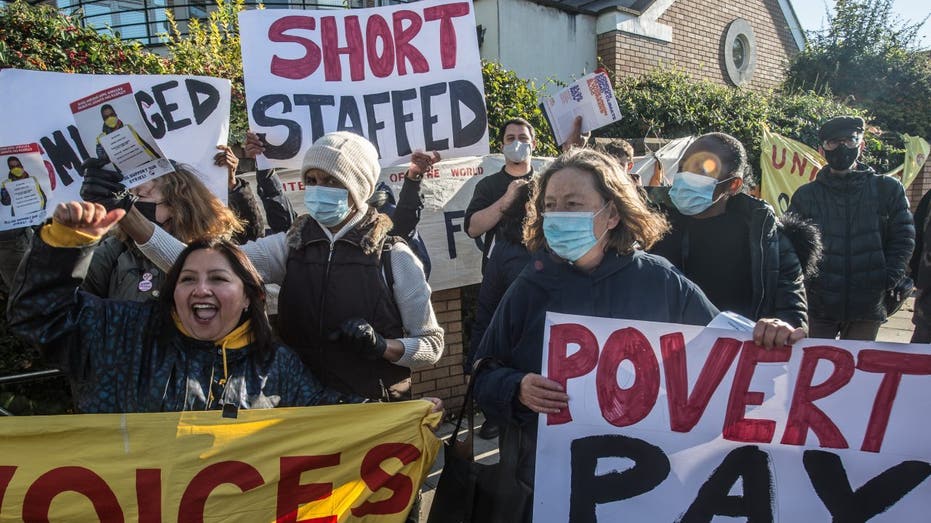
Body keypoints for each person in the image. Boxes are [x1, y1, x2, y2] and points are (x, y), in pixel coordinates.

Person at [470, 148, 804, 522]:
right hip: (550, 485)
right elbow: (483, 373)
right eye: (550, 204)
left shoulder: (661, 281)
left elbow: (732, 356)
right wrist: (516, 388)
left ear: (612, 213)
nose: (559, 213)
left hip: (648, 487)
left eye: (574, 203)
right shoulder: (530, 284)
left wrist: (769, 336)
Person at [91, 132, 444, 402]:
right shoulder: (291, 245)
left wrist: (383, 346)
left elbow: (431, 346)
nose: (319, 190)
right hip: (305, 409)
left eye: (332, 182)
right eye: (313, 181)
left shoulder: (394, 256)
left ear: (358, 188)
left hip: (373, 410)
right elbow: (194, 263)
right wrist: (126, 210)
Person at [7, 201, 365, 413]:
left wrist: (409, 418)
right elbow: (41, 317)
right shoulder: (124, 335)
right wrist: (65, 245)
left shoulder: (277, 367)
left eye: (219, 279)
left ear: (248, 298)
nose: (201, 289)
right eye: (187, 279)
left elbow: (327, 418)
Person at [648, 132, 818, 330]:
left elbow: (793, 318)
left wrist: (780, 328)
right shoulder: (652, 228)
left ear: (733, 185)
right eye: (683, 166)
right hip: (666, 352)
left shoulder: (770, 242)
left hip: (737, 358)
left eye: (703, 168)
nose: (687, 175)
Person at [788, 116, 915, 341]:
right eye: (833, 142)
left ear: (862, 145)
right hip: (819, 305)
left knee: (858, 370)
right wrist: (806, 286)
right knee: (814, 367)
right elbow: (792, 246)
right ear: (822, 149)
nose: (842, 147)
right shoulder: (806, 196)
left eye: (849, 140)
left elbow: (903, 237)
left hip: (867, 305)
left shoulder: (888, 189)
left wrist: (886, 279)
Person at [80, 159, 245, 303]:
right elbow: (76, 291)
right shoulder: (117, 248)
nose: (131, 203)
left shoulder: (214, 247)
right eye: (129, 195)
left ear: (176, 205)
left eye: (141, 196)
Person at [465, 117, 536, 271]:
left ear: (533, 144)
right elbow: (472, 229)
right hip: (499, 275)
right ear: (502, 146)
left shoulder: (545, 183)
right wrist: (506, 200)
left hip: (538, 271)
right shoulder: (488, 185)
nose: (517, 143)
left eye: (523, 138)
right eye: (510, 139)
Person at [96, 104, 160, 164]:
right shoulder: (101, 138)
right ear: (103, 119)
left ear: (115, 114)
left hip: (143, 163)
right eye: (106, 117)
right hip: (125, 170)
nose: (110, 118)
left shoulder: (128, 128)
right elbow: (103, 160)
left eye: (112, 114)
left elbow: (143, 144)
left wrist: (158, 157)